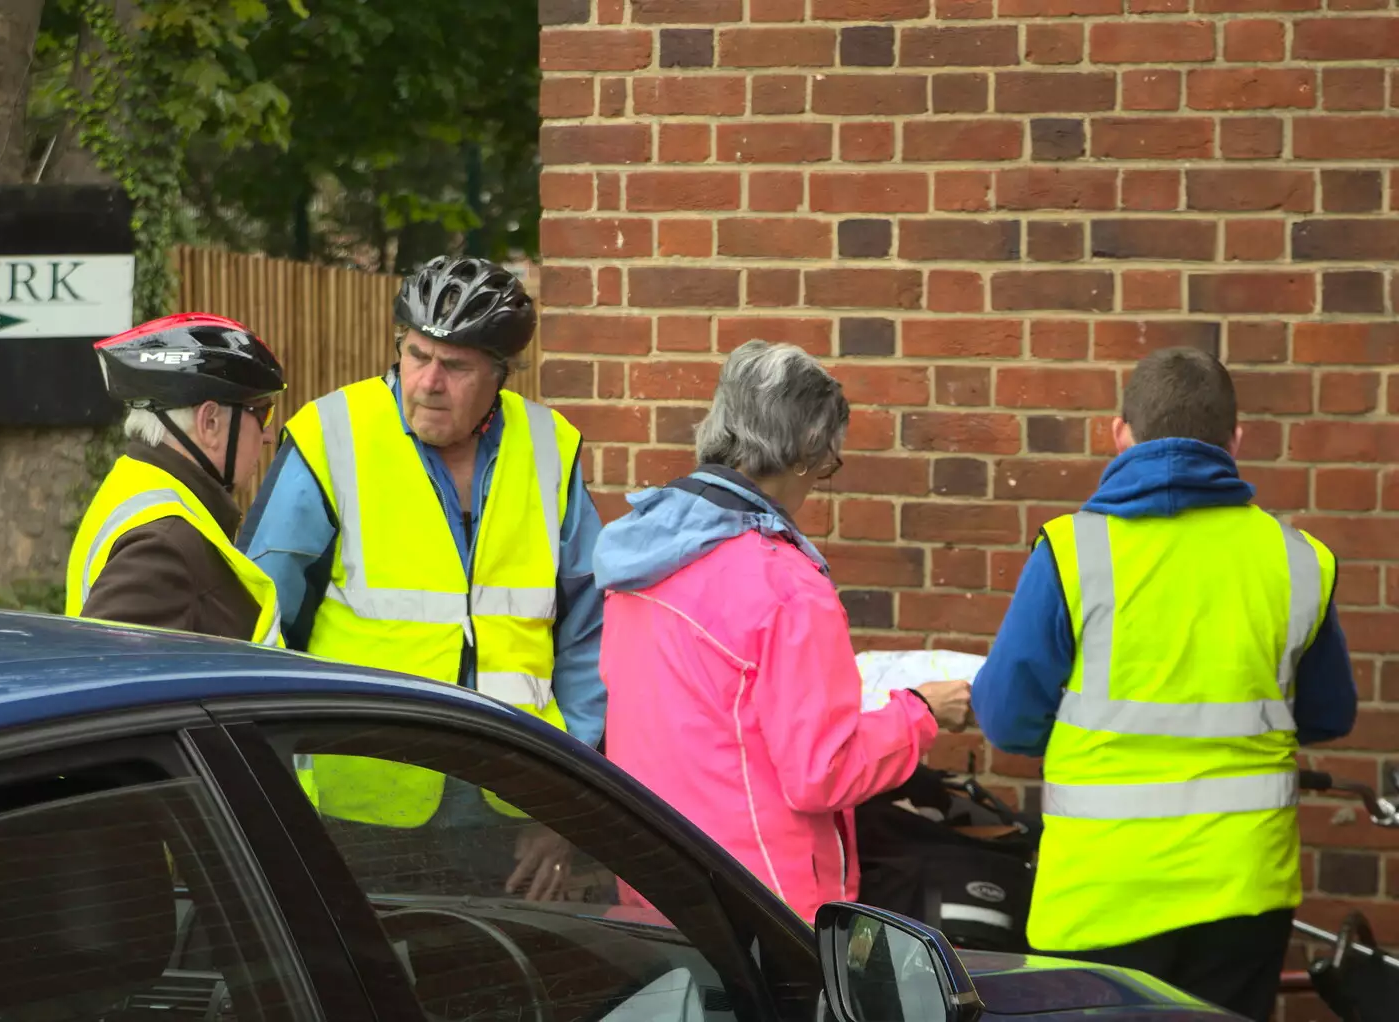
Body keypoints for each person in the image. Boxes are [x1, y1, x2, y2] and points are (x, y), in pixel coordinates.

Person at [971, 346, 1358, 1022]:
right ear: (1236, 440)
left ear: (1120, 432)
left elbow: (1006, 720)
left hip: (1099, 893)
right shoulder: (1298, 561)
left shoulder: (1074, 551)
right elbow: (1329, 714)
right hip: (1244, 891)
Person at [238, 255, 606, 901]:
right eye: (416, 355)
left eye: (456, 366)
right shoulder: (333, 437)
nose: (429, 382)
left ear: (498, 373)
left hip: (515, 799)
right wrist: (276, 785)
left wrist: (567, 805)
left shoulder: (549, 447)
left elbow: (592, 639)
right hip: (361, 803)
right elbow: (262, 622)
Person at [591, 340, 972, 924]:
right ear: (809, 452)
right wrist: (920, 712)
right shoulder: (787, 585)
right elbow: (824, 771)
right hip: (766, 904)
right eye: (829, 463)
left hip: (657, 887)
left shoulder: (638, 557)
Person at [66, 313, 287, 644]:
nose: (269, 435)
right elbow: (114, 682)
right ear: (209, 423)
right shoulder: (161, 547)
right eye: (263, 413)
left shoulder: (139, 485)